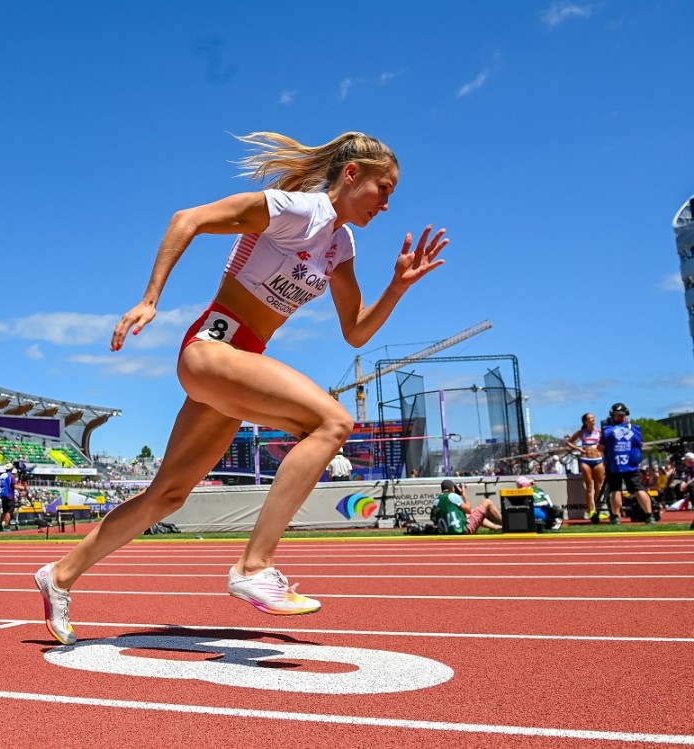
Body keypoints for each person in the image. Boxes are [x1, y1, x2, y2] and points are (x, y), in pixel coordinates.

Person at [34, 130, 448, 646]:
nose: (387, 203)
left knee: (166, 496)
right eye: (383, 188)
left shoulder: (340, 245)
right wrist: (150, 299)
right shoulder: (296, 210)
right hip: (211, 347)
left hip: (237, 362)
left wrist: (397, 287)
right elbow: (187, 219)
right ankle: (256, 565)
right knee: (333, 421)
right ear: (351, 175)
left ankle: (59, 576)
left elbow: (356, 331)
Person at [599, 402, 655, 525]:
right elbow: (641, 444)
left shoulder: (608, 431)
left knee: (615, 490)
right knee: (639, 489)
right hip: (632, 464)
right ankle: (649, 516)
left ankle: (615, 517)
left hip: (615, 465)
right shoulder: (634, 429)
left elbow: (601, 447)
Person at [564, 412, 604, 521]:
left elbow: (606, 442)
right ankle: (591, 510)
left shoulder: (600, 431)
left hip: (598, 459)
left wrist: (602, 448)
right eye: (590, 419)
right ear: (585, 422)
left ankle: (598, 509)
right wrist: (579, 449)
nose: (593, 420)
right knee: (589, 486)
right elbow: (568, 442)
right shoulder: (581, 433)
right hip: (586, 460)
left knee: (599, 486)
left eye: (593, 418)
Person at [430, 479, 502, 535]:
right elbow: (469, 510)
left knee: (472, 514)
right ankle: (507, 525)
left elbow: (433, 518)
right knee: (486, 502)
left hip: (447, 533)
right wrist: (464, 494)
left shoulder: (435, 500)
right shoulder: (452, 496)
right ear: (452, 488)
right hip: (463, 530)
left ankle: (495, 527)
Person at [0, 463, 18, 532]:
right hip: (9, 495)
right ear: (12, 469)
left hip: (3, 495)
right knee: (9, 511)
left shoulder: (2, 475)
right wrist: (23, 488)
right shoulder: (11, 476)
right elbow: (15, 486)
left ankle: (0, 525)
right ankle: (6, 526)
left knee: (4, 511)